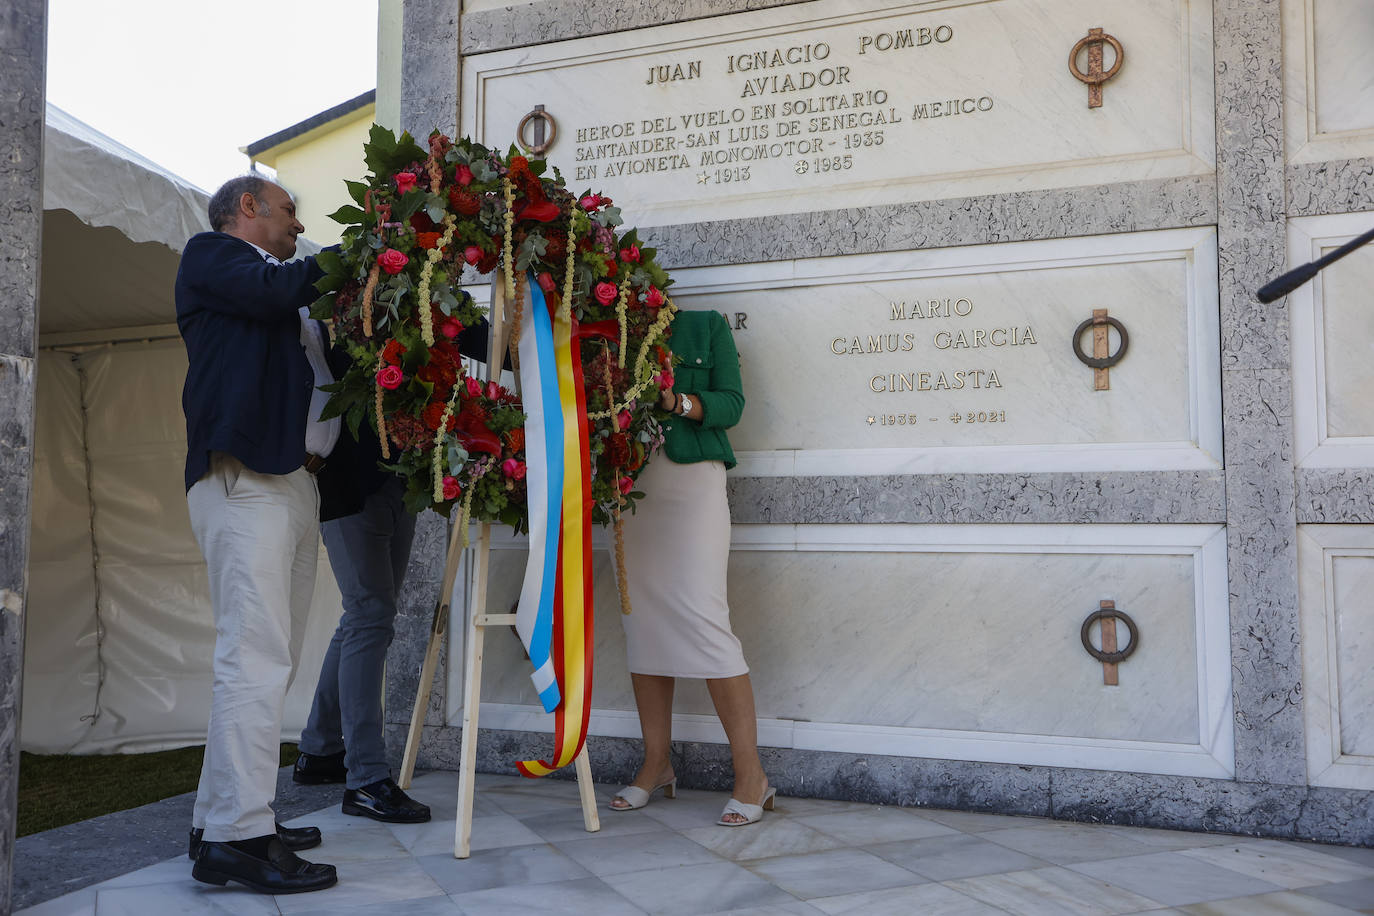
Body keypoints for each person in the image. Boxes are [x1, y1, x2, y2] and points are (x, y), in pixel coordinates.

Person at [177, 175, 337, 893]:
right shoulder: (210, 254)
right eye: (288, 211)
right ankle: (243, 836)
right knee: (256, 660)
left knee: (258, 660)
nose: (298, 224)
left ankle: (220, 822)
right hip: (247, 482)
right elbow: (277, 292)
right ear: (248, 208)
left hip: (290, 480)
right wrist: (366, 251)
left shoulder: (274, 283)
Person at [291, 318, 494, 823]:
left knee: (368, 615)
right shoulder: (340, 289)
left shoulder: (432, 299)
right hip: (346, 483)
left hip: (400, 482)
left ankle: (318, 750)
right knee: (370, 614)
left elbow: (496, 347)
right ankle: (365, 778)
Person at [610, 308, 774, 826]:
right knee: (643, 624)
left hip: (694, 484)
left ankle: (752, 776)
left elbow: (731, 403)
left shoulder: (706, 325)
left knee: (706, 621)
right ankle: (656, 764)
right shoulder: (606, 326)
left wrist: (674, 400)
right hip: (631, 491)